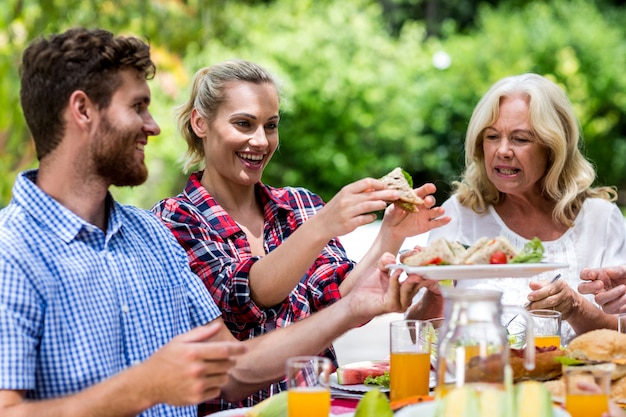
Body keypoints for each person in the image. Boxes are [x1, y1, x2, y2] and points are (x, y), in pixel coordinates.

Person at [0, 27, 428, 417]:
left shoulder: (146, 236)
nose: (153, 126)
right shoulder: (11, 251)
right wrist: (143, 386)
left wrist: (354, 307)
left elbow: (233, 370)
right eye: (138, 107)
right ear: (83, 111)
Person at [151, 59, 450, 412]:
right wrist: (322, 226)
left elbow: (337, 299)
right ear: (200, 123)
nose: (260, 141)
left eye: (271, 125)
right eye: (244, 124)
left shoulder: (300, 205)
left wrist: (391, 234)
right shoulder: (176, 219)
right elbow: (246, 296)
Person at [405, 73, 626, 344]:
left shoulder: (600, 219)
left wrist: (576, 308)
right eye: (492, 136)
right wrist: (435, 295)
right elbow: (417, 337)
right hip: (478, 382)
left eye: (520, 139)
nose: (503, 150)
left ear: (553, 147)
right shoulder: (460, 214)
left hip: (581, 385)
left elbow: (621, 335)